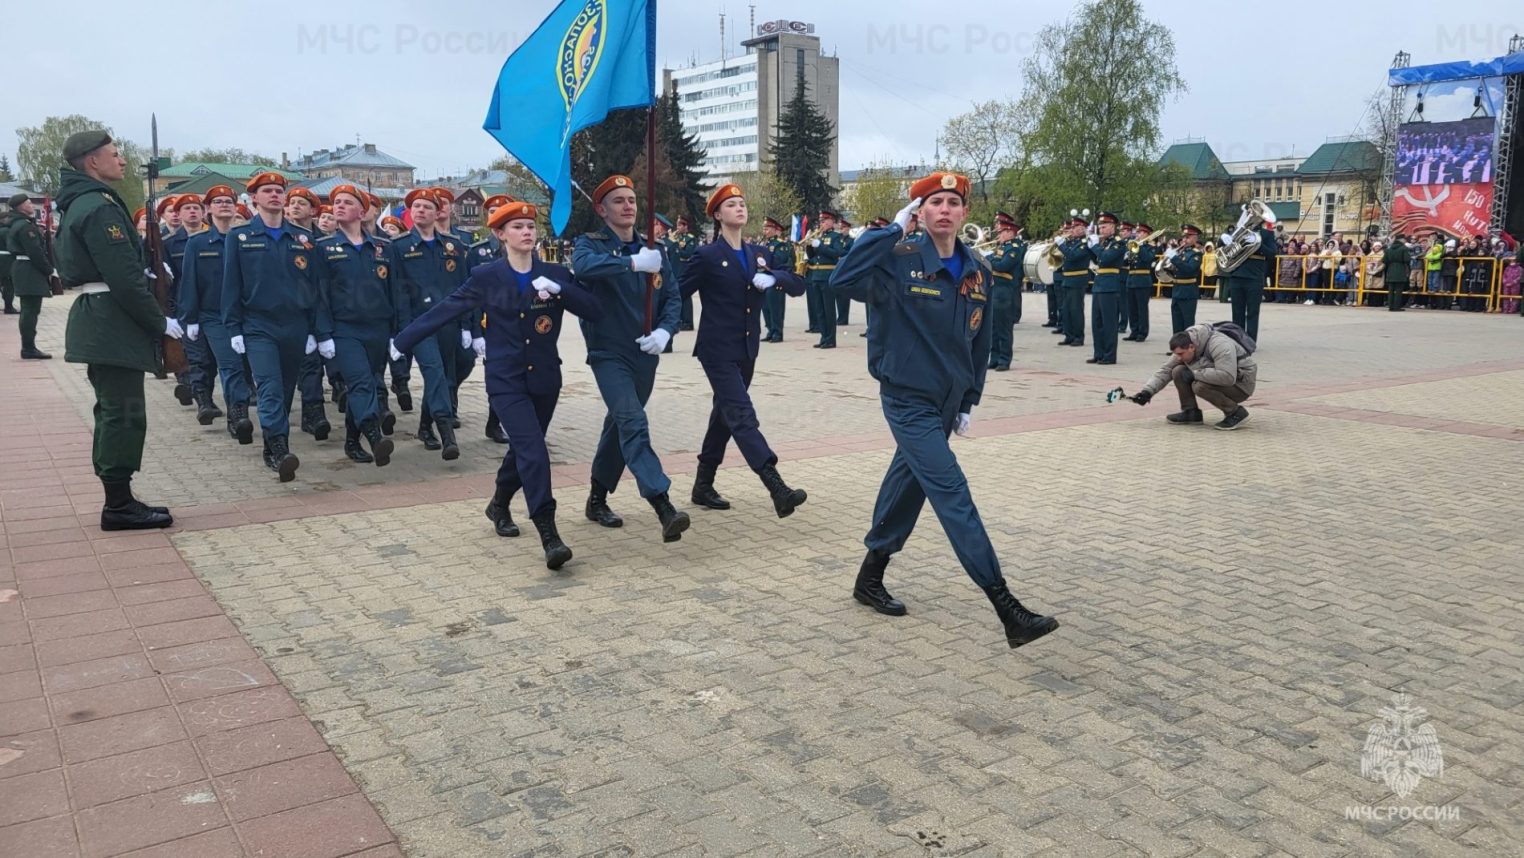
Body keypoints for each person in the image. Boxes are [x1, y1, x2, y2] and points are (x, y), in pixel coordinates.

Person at [831, 171, 1059, 649]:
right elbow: (842, 279)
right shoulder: (898, 259)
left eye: (953, 203)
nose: (944, 210)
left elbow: (980, 342)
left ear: (963, 213)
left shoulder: (979, 269)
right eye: (934, 202)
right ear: (920, 211)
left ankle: (869, 577)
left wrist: (971, 400)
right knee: (952, 492)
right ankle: (1006, 606)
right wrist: (890, 230)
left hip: (947, 404)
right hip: (906, 397)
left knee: (906, 486)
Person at [396, 201, 601, 568]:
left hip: (545, 378)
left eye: (530, 226)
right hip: (505, 379)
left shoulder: (555, 273)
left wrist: (560, 290)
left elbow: (594, 310)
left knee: (524, 449)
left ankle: (499, 503)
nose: (526, 232)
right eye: (518, 226)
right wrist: (402, 341)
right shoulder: (486, 275)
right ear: (500, 234)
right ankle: (548, 532)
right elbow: (446, 309)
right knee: (534, 451)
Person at [55, 130, 179, 529]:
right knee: (122, 413)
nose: (121, 160)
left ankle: (119, 499)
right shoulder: (99, 206)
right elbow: (124, 278)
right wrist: (160, 321)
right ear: (93, 162)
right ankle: (119, 506)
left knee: (114, 410)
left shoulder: (83, 201)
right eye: (114, 153)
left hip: (103, 317)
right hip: (111, 320)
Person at [678, 183, 809, 516]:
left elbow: (798, 285)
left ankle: (702, 485)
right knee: (740, 414)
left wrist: (775, 277)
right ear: (718, 215)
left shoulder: (759, 255)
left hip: (747, 348)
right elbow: (677, 292)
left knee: (724, 416)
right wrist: (658, 325)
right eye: (731, 205)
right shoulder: (707, 256)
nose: (740, 208)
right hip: (717, 349)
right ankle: (776, 486)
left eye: (742, 203)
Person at [572, 175, 690, 542]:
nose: (628, 206)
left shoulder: (655, 250)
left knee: (619, 427)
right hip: (608, 353)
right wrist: (632, 264)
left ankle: (596, 498)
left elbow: (672, 297)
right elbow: (585, 269)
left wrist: (666, 332)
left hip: (644, 353)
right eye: (619, 200)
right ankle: (662, 504)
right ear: (601, 209)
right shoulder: (589, 245)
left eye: (632, 200)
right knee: (632, 422)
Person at [221, 171, 322, 482]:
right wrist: (233, 327)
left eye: (279, 191)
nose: (275, 196)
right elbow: (231, 285)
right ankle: (279, 448)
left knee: (288, 386)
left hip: (295, 324)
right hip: (258, 324)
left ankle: (274, 445)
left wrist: (316, 330)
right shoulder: (239, 237)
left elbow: (315, 287)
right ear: (255, 199)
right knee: (270, 387)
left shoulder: (303, 238)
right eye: (267, 191)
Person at [312, 184, 399, 467]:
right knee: (361, 382)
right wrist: (322, 333)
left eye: (347, 202)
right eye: (337, 202)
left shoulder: (383, 248)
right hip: (344, 329)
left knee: (368, 383)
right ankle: (375, 437)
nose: (339, 206)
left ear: (362, 212)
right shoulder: (324, 248)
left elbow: (395, 292)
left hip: (378, 328)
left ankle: (352, 440)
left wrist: (397, 333)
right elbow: (318, 295)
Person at [391, 188, 467, 459]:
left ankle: (425, 427)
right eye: (416, 206)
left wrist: (467, 326)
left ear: (438, 213)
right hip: (418, 324)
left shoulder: (453, 245)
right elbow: (397, 291)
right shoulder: (398, 247)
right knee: (434, 372)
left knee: (443, 376)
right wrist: (400, 330)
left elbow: (463, 288)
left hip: (447, 323)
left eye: (426, 206)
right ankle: (447, 433)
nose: (420, 210)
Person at [178, 186, 244, 430]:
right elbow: (190, 282)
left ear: (236, 208)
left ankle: (239, 409)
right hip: (213, 314)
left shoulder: (244, 238)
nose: (224, 204)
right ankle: (237, 416)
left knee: (245, 368)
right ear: (208, 209)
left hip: (245, 313)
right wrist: (191, 318)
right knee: (230, 364)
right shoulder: (197, 243)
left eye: (228, 201)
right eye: (217, 201)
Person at [1128, 323, 1256, 430]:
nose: (1178, 357)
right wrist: (1147, 392)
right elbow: (1166, 370)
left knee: (1199, 386)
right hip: (1222, 379)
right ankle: (1191, 413)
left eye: (1180, 354)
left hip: (1241, 385)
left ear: (1191, 347)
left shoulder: (1220, 345)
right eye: (1176, 354)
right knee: (1177, 370)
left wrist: (1194, 374)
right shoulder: (1186, 343)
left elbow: (1228, 376)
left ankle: (1235, 413)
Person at [471, 193, 515, 444]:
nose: (496, 213)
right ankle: (494, 421)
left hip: (517, 324)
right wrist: (474, 330)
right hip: (490, 325)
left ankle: (499, 420)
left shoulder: (523, 247)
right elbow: (470, 295)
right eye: (492, 211)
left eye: (503, 209)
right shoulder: (478, 252)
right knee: (497, 375)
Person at [5, 193, 55, 359]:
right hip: (28, 269)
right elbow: (35, 252)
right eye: (28, 203)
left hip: (24, 267)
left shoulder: (18, 223)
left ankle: (28, 346)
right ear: (21, 207)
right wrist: (49, 270)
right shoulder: (25, 226)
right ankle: (28, 348)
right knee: (30, 310)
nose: (32, 205)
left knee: (29, 309)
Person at [1225, 213, 1275, 341]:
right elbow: (1226, 251)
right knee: (1237, 311)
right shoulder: (1238, 232)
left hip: (1254, 277)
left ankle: (1250, 340)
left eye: (1256, 215)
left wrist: (1257, 243)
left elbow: (1272, 254)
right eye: (1250, 214)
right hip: (1237, 275)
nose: (1252, 217)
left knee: (1252, 312)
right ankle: (1237, 338)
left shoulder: (1267, 234)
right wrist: (1224, 241)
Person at [1086, 212, 1125, 365]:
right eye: (1100, 227)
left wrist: (1095, 246)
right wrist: (1089, 246)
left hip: (1110, 285)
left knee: (1109, 323)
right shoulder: (1103, 243)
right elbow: (1096, 259)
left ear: (1112, 227)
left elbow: (1106, 258)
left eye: (1104, 227)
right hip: (1099, 284)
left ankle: (1109, 355)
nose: (1101, 230)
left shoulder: (1118, 243)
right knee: (1097, 323)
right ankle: (1099, 353)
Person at [804, 210, 847, 348]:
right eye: (821, 221)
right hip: (816, 276)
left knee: (828, 309)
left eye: (824, 221)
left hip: (828, 275)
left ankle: (830, 339)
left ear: (832, 222)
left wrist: (820, 246)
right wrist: (809, 245)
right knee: (819, 310)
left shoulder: (836, 237)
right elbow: (812, 256)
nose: (821, 223)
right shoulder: (820, 237)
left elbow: (838, 253)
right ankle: (823, 337)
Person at [984, 217, 1022, 371]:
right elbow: (993, 261)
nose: (998, 235)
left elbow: (1003, 266)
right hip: (995, 289)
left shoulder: (1013, 249)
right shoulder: (1001, 247)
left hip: (1005, 291)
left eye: (1001, 232)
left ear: (1010, 232)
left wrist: (991, 260)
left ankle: (1005, 359)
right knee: (993, 327)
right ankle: (994, 357)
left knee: (1004, 328)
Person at [1055, 215, 1090, 347]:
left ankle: (1078, 337)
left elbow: (1072, 256)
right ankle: (1069, 335)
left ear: (1082, 229)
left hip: (1077, 279)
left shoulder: (1084, 243)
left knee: (1076, 309)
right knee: (1066, 309)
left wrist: (1061, 245)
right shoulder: (1071, 242)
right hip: (1067, 279)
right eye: (1073, 227)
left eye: (1075, 227)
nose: (1072, 229)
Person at [1163, 224, 1204, 337]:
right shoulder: (1181, 252)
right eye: (1184, 237)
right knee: (1176, 322)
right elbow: (1173, 270)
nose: (1184, 240)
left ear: (1195, 238)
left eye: (1188, 237)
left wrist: (1174, 258)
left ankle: (1187, 348)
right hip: (1176, 290)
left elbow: (1189, 269)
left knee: (1187, 323)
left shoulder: (1196, 254)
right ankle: (1177, 347)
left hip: (1188, 291)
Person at [760, 216, 794, 342]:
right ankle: (770, 329)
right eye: (764, 228)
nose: (765, 231)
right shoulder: (764, 244)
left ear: (775, 229)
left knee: (775, 307)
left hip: (775, 279)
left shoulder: (780, 244)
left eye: (768, 228)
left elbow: (780, 261)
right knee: (765, 307)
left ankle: (777, 332)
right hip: (764, 279)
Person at [1124, 223, 1156, 343]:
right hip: (1131, 279)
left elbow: (1148, 259)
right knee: (1132, 308)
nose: (1138, 235)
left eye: (1141, 233)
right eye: (1137, 232)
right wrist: (1127, 255)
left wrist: (1140, 247)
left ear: (1147, 234)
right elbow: (1127, 263)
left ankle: (1142, 332)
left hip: (1143, 280)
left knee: (1141, 308)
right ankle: (1134, 331)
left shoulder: (1150, 247)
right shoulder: (1134, 246)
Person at [1383, 235, 1411, 311]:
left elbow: (1384, 260)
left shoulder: (1389, 249)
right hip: (1400, 269)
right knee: (1399, 290)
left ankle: (1390, 306)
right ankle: (1397, 306)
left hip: (1390, 269)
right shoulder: (1404, 248)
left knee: (1391, 290)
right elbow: (1407, 259)